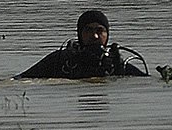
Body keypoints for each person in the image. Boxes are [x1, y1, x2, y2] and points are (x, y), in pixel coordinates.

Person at [16, 9, 148, 79]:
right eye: (88, 30)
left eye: (99, 31)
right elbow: (19, 79)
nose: (95, 36)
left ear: (108, 35)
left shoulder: (117, 64)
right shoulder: (61, 60)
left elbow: (147, 81)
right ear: (79, 34)